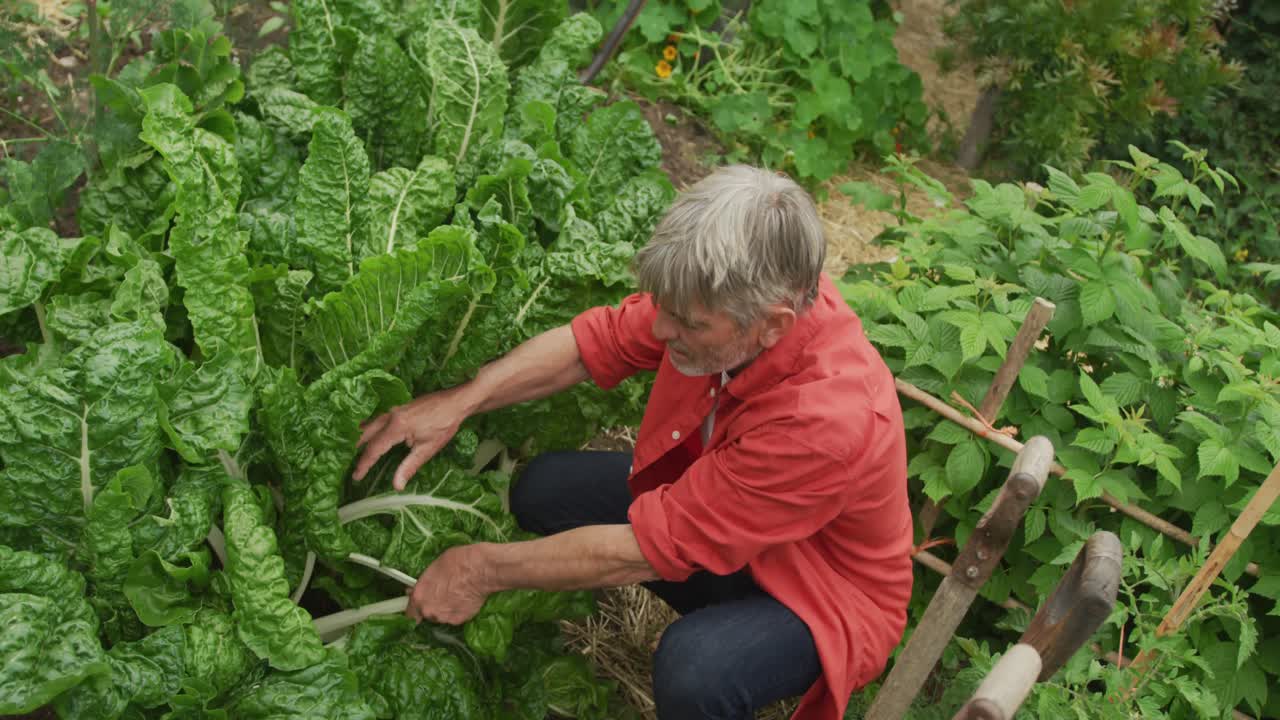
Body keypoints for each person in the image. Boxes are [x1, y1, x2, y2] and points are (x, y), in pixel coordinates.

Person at [353, 165, 913, 720]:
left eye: (688, 325)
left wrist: (478, 569)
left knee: (695, 671)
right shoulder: (736, 290)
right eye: (665, 310)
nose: (663, 331)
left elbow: (649, 550)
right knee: (544, 490)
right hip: (726, 511)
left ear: (773, 325)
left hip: (818, 592)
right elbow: (592, 344)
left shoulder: (827, 421)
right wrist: (459, 401)